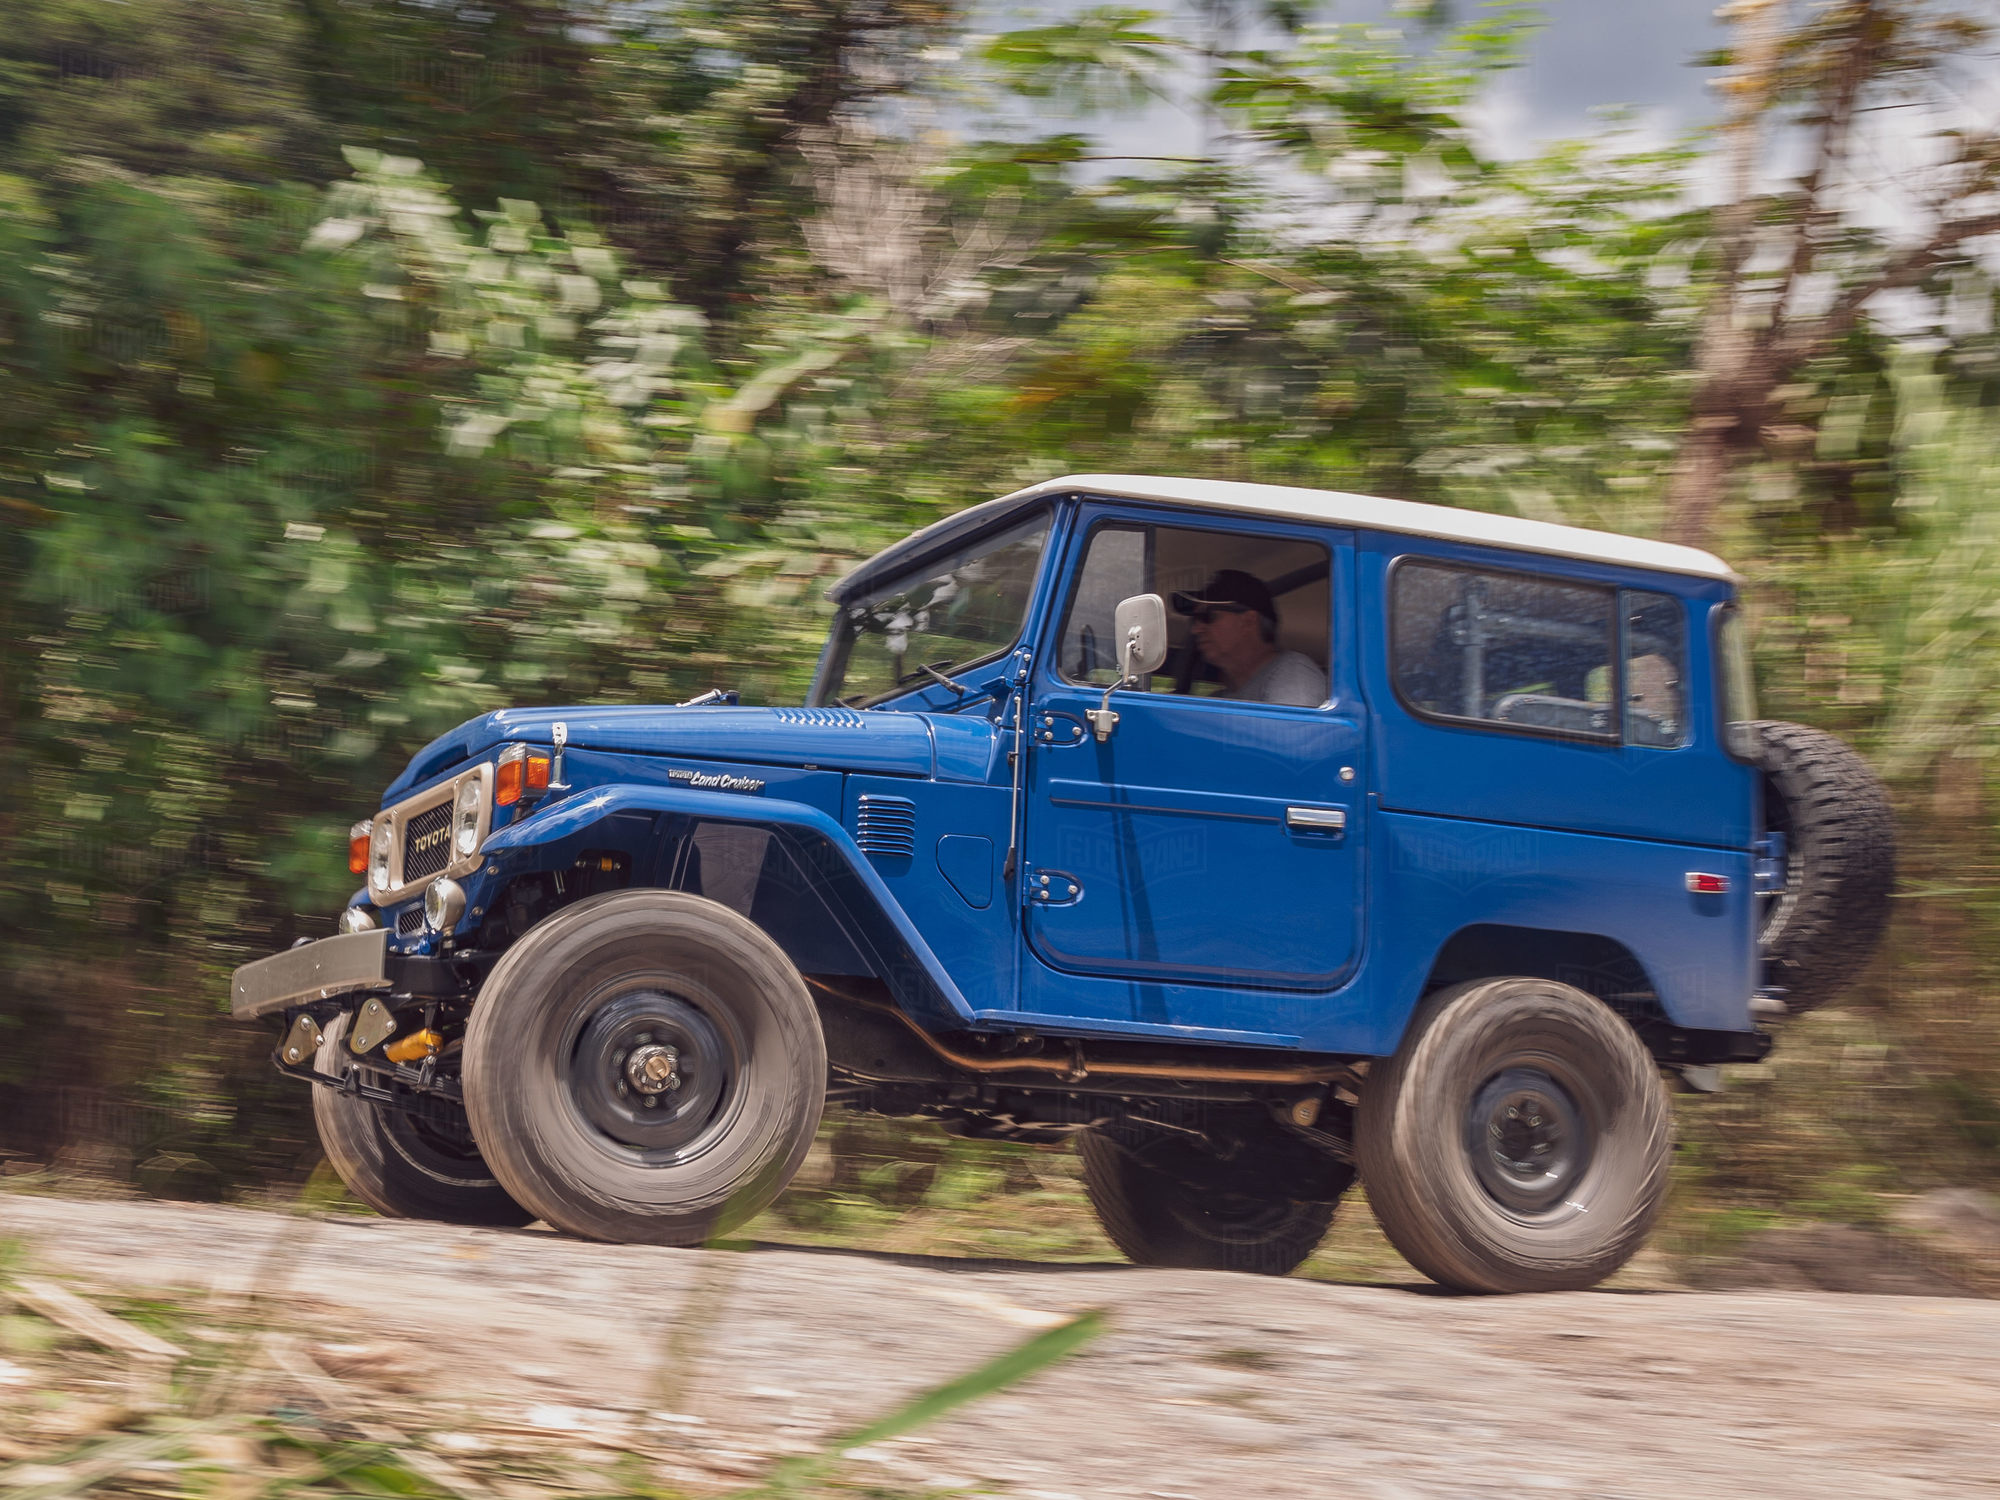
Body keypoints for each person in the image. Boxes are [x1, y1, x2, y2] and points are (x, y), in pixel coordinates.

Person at [1170, 569, 1327, 707]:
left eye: (1207, 616)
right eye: (1195, 619)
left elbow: (1291, 739)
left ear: (1248, 621)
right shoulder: (1219, 699)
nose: (1196, 628)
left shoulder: (1293, 675)